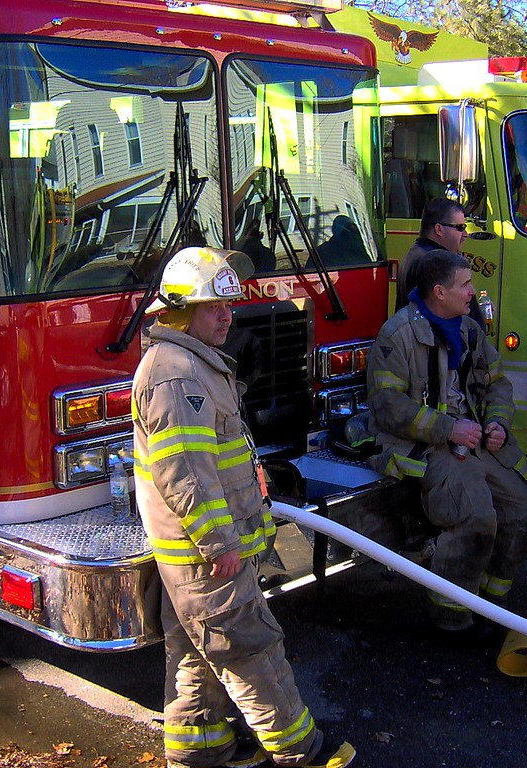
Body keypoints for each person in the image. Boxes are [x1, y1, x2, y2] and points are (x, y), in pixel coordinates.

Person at [132, 246, 356, 768]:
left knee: (197, 649)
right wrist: (219, 542)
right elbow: (184, 471)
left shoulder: (191, 364)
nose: (228, 316)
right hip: (205, 553)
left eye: (228, 305)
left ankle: (200, 748)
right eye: (215, 307)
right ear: (180, 310)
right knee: (251, 648)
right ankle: (301, 750)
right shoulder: (175, 374)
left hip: (200, 552)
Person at [364, 248, 527, 641]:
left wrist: (497, 422)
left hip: (473, 440)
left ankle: (493, 605)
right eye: (465, 285)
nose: (473, 292)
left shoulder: (469, 330)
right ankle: (452, 618)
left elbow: (497, 384)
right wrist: (447, 429)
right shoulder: (397, 336)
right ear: (439, 292)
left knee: (525, 510)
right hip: (425, 446)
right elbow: (388, 407)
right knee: (476, 516)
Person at [395, 198, 469, 309]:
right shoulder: (436, 263)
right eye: (460, 228)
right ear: (439, 229)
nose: (465, 234)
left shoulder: (415, 254)